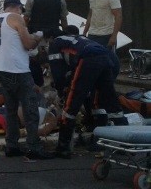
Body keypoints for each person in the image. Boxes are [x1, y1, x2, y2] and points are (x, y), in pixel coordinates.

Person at [44, 27, 128, 159]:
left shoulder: (55, 44)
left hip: (88, 59)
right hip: (106, 58)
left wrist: (61, 92)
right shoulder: (78, 39)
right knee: (109, 100)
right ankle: (123, 143)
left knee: (72, 102)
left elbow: (58, 74)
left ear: (49, 39)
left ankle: (63, 147)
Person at [0, 0, 54, 160]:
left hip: (1, 69)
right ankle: (33, 146)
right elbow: (28, 45)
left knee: (10, 109)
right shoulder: (16, 17)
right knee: (30, 108)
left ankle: (11, 145)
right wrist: (38, 37)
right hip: (17, 69)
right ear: (18, 8)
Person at [24, 0, 69, 88]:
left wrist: (23, 33)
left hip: (36, 36)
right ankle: (54, 86)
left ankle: (37, 86)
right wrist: (67, 35)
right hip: (53, 36)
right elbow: (64, 19)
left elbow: (26, 18)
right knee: (54, 62)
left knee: (33, 62)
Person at [80, 0, 122, 78]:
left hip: (106, 34)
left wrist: (114, 36)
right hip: (93, 34)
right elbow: (90, 15)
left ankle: (110, 83)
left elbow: (119, 16)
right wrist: (84, 32)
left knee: (109, 61)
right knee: (93, 61)